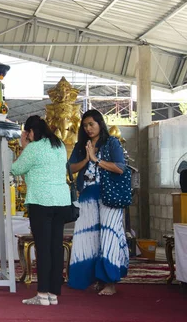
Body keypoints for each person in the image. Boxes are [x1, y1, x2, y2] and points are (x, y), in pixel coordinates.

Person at [67, 109, 129, 296]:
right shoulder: (81, 146)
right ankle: (94, 278)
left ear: (100, 124)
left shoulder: (111, 143)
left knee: (109, 237)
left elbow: (120, 167)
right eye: (85, 125)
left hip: (108, 196)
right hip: (87, 196)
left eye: (91, 124)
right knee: (87, 239)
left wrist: (96, 160)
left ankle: (110, 282)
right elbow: (70, 168)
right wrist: (86, 159)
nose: (88, 128)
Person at [11, 115, 71, 306]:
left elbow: (16, 168)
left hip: (41, 202)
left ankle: (42, 294)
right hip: (61, 201)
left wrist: (23, 146)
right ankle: (53, 293)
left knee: (43, 248)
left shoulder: (34, 148)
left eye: (26, 133)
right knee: (55, 247)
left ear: (30, 132)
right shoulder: (59, 145)